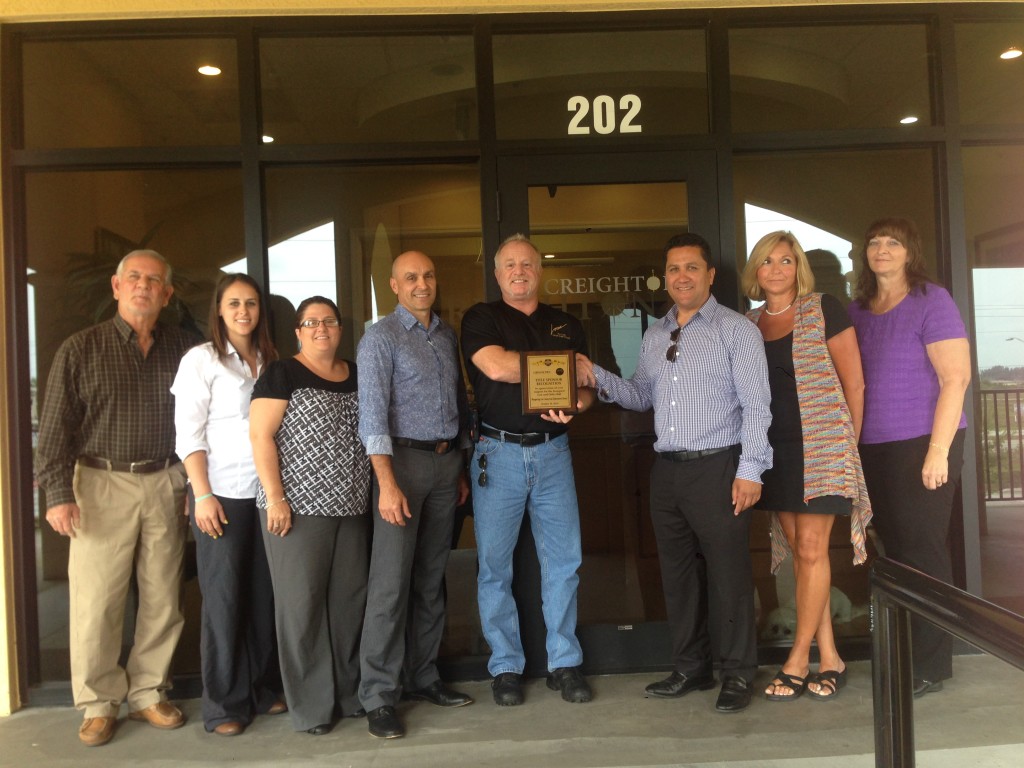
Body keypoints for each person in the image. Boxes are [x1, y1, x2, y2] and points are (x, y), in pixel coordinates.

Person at [576, 232, 771, 713]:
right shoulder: (656, 333)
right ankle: (690, 667)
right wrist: (595, 375)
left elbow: (757, 406)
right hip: (667, 471)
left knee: (729, 576)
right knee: (677, 577)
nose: (681, 276)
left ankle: (737, 673)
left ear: (710, 275)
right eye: (673, 269)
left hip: (719, 468)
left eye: (691, 267)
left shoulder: (736, 329)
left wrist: (750, 470)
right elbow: (642, 395)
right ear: (666, 277)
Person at [36, 249, 198, 747]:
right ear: (115, 286)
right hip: (101, 483)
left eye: (154, 280)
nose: (143, 286)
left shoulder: (186, 350)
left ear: (168, 294)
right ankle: (100, 702)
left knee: (162, 596)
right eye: (134, 278)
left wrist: (196, 485)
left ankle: (149, 691)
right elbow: (54, 431)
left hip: (166, 480)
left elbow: (204, 422)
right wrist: (58, 495)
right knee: (96, 599)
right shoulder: (80, 348)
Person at [460, 233, 596, 707]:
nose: (519, 272)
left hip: (554, 452)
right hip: (496, 455)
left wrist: (575, 405)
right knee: (494, 567)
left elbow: (586, 388)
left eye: (527, 264)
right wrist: (562, 370)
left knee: (563, 563)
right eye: (509, 265)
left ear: (540, 271)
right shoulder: (480, 318)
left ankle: (564, 663)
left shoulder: (565, 323)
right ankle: (505, 666)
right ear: (498, 274)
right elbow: (495, 367)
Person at [740, 231, 871, 701]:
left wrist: (845, 449)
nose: (776, 269)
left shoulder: (823, 308)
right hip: (774, 450)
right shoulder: (749, 323)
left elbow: (853, 384)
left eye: (786, 260)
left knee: (813, 549)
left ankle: (797, 661)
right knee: (800, 553)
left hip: (822, 447)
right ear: (756, 271)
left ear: (799, 268)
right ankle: (830, 655)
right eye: (767, 261)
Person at [848, 217, 971, 698]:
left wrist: (938, 452)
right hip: (874, 447)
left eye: (893, 242)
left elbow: (955, 379)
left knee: (922, 552)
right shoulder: (859, 309)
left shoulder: (931, 300)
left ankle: (931, 665)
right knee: (893, 554)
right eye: (874, 241)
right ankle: (903, 654)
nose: (882, 249)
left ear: (909, 251)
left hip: (925, 443)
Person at [356, 251, 474, 739]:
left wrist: (460, 464)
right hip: (400, 468)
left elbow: (460, 401)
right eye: (411, 277)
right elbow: (371, 416)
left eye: (428, 275)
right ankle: (378, 695)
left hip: (446, 466)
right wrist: (385, 483)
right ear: (394, 285)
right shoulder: (379, 339)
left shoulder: (446, 335)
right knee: (390, 584)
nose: (422, 283)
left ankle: (424, 677)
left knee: (431, 579)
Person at [249, 296, 372, 734]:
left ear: (340, 329)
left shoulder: (356, 374)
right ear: (298, 331)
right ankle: (312, 709)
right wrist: (275, 497)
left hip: (352, 508)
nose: (322, 328)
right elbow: (261, 436)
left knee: (347, 604)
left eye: (330, 321)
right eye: (311, 322)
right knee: (301, 610)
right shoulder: (282, 373)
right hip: (298, 511)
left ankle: (346, 694)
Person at [170, 273, 285, 735]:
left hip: (267, 495)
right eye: (234, 303)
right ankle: (223, 705)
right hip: (222, 495)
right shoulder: (201, 360)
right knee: (222, 600)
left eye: (252, 303)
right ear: (219, 309)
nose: (243, 311)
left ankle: (260, 688)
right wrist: (201, 494)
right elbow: (188, 434)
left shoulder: (271, 360)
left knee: (263, 597)